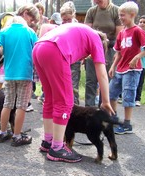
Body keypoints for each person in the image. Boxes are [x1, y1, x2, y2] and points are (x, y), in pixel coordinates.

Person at [33, 23, 114, 163]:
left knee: (50, 99)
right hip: (55, 50)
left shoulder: (82, 31)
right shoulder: (96, 40)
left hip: (39, 47)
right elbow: (102, 74)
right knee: (65, 101)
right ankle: (57, 148)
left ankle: (48, 141)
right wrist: (106, 101)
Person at [0, 16, 38, 146]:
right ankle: (17, 136)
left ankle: (2, 132)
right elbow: (37, 48)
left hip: (10, 74)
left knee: (8, 104)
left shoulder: (4, 31)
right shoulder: (29, 32)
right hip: (25, 74)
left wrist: (4, 52)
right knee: (21, 106)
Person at [108, 2, 145, 134]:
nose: (120, 18)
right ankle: (114, 119)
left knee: (128, 96)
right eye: (119, 15)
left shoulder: (138, 31)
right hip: (120, 68)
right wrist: (113, 66)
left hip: (132, 70)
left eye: (122, 15)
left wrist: (138, 57)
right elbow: (119, 52)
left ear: (132, 15)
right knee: (111, 93)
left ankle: (127, 124)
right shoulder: (122, 33)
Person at [84, 0, 123, 107]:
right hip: (93, 48)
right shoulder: (92, 11)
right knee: (90, 80)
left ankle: (104, 108)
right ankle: (89, 108)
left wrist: (116, 51)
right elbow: (87, 31)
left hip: (110, 49)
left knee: (106, 80)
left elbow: (119, 35)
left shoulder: (115, 11)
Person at [60, 1, 81, 105]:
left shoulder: (78, 27)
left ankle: (75, 105)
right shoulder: (60, 28)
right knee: (62, 84)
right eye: (64, 20)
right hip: (62, 58)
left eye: (69, 19)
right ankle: (64, 105)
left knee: (73, 84)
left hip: (75, 59)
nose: (67, 22)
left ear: (73, 16)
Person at [135, 15, 145, 107]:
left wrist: (142, 54)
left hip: (143, 63)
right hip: (132, 63)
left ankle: (137, 98)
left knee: (140, 82)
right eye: (140, 22)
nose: (141, 24)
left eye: (144, 22)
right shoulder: (135, 34)